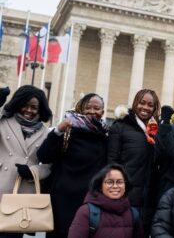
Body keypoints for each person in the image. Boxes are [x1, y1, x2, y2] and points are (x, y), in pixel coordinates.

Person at [37, 93, 108, 238]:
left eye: (97, 108)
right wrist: (58, 130)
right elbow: (43, 156)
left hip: (89, 201)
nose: (92, 111)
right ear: (80, 109)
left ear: (103, 112)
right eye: (88, 107)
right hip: (62, 199)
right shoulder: (68, 130)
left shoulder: (105, 135)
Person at [0, 85, 52, 238]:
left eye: (34, 107)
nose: (29, 110)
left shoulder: (46, 133)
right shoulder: (4, 121)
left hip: (21, 194)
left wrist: (34, 171)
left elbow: (51, 165)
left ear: (40, 109)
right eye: (25, 105)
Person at [107, 89, 160, 237]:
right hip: (124, 199)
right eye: (142, 103)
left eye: (150, 105)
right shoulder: (120, 127)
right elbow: (111, 163)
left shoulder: (157, 131)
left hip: (148, 202)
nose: (145, 108)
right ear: (135, 103)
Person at [68, 163, 143, 238]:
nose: (115, 186)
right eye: (109, 182)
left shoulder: (133, 214)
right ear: (100, 186)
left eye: (120, 182)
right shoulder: (86, 212)